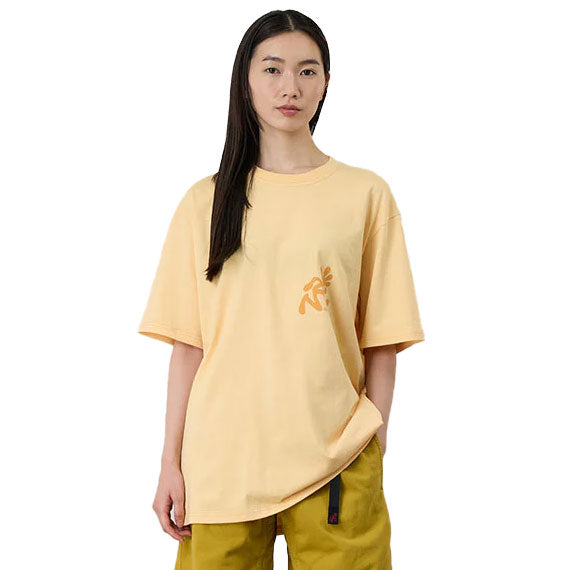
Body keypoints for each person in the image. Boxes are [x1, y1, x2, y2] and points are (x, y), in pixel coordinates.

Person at [137, 9, 425, 569]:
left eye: (307, 71)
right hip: (222, 463)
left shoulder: (365, 195)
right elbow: (189, 347)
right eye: (272, 69)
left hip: (336, 460)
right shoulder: (204, 202)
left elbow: (382, 340)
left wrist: (374, 442)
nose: (290, 87)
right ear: (245, 80)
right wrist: (170, 461)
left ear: (325, 83)